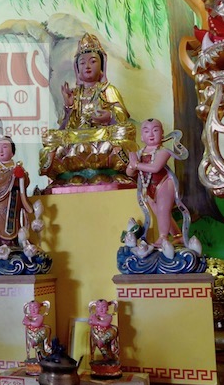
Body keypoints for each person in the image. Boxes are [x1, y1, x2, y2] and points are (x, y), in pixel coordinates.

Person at [126, 118, 184, 247]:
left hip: (164, 183)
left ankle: (163, 237)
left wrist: (136, 164)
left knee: (163, 210)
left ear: (162, 134)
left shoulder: (164, 151)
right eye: (146, 131)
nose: (151, 134)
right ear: (142, 137)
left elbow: (155, 168)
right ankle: (177, 235)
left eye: (155, 130)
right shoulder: (139, 153)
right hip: (147, 187)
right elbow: (129, 173)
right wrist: (131, 165)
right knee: (159, 212)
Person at [59, 33, 130, 130]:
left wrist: (110, 116)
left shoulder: (108, 90)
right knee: (51, 136)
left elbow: (123, 120)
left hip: (102, 134)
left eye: (93, 61)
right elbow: (64, 128)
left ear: (101, 67)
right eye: (82, 63)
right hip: (78, 135)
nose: (87, 66)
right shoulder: (74, 94)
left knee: (125, 132)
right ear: (77, 69)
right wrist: (69, 106)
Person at [0, 136, 33, 248]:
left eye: (5, 147)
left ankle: (14, 244)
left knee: (15, 221)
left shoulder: (18, 167)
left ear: (12, 152)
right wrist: (12, 174)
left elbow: (26, 182)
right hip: (0, 200)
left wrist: (22, 175)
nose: (1, 150)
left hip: (15, 198)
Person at [88, 299, 120, 364]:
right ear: (96, 308)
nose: (101, 309)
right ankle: (106, 357)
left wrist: (97, 322)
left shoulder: (108, 316)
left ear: (107, 308)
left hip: (107, 333)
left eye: (104, 307)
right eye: (98, 307)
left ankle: (103, 342)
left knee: (112, 332)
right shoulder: (93, 316)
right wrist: (94, 321)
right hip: (97, 334)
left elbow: (105, 323)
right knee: (101, 346)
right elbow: (90, 322)